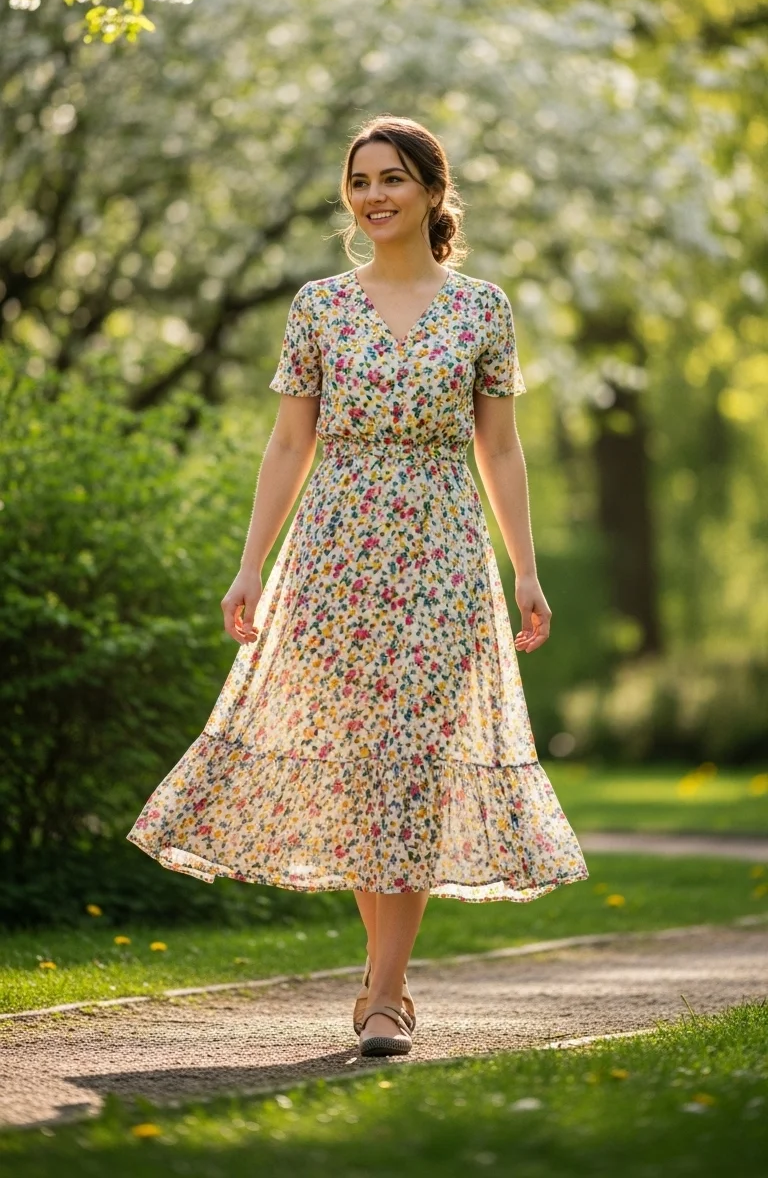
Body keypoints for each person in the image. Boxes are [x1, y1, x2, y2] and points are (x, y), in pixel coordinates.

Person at [127, 113, 588, 1059]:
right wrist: (251, 564)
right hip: (334, 553)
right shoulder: (319, 307)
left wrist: (526, 569)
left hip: (443, 554)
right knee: (358, 765)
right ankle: (387, 985)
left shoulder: (483, 309)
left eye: (392, 179)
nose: (373, 196)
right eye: (361, 180)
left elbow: (501, 450)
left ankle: (383, 994)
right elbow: (288, 442)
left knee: (413, 761)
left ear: (432, 191)